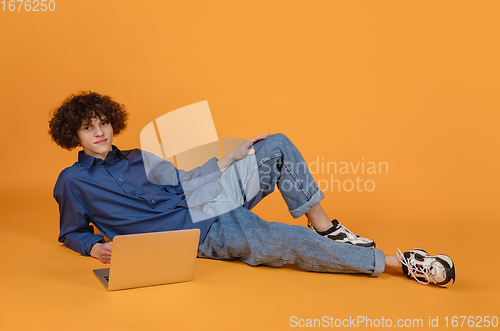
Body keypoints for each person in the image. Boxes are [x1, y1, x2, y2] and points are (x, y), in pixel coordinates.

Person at [48, 91, 455, 287]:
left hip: (208, 198)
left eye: (103, 123)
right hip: (196, 233)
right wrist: (92, 246)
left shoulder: (138, 156)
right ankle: (398, 263)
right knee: (279, 238)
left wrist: (230, 160)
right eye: (89, 127)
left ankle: (326, 227)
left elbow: (187, 181)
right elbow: (73, 231)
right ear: (75, 135)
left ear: (111, 123)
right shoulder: (72, 182)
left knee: (272, 143)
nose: (99, 132)